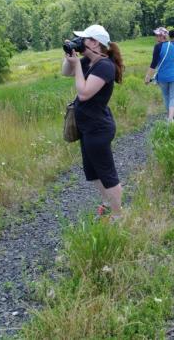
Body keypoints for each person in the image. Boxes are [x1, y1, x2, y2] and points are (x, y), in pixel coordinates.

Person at [61, 24, 124, 219]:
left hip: (98, 129)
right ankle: (106, 203)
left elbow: (85, 92)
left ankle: (118, 215)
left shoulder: (105, 66)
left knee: (107, 173)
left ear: (95, 43)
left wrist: (78, 65)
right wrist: (70, 55)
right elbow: (66, 72)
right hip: (87, 128)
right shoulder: (89, 61)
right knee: (92, 171)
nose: (81, 42)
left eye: (84, 39)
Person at [145, 27, 174, 122]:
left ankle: (170, 117)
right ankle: (171, 118)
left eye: (157, 35)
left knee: (166, 96)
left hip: (162, 77)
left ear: (162, 36)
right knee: (173, 96)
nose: (156, 36)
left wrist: (147, 77)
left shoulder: (157, 47)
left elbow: (153, 64)